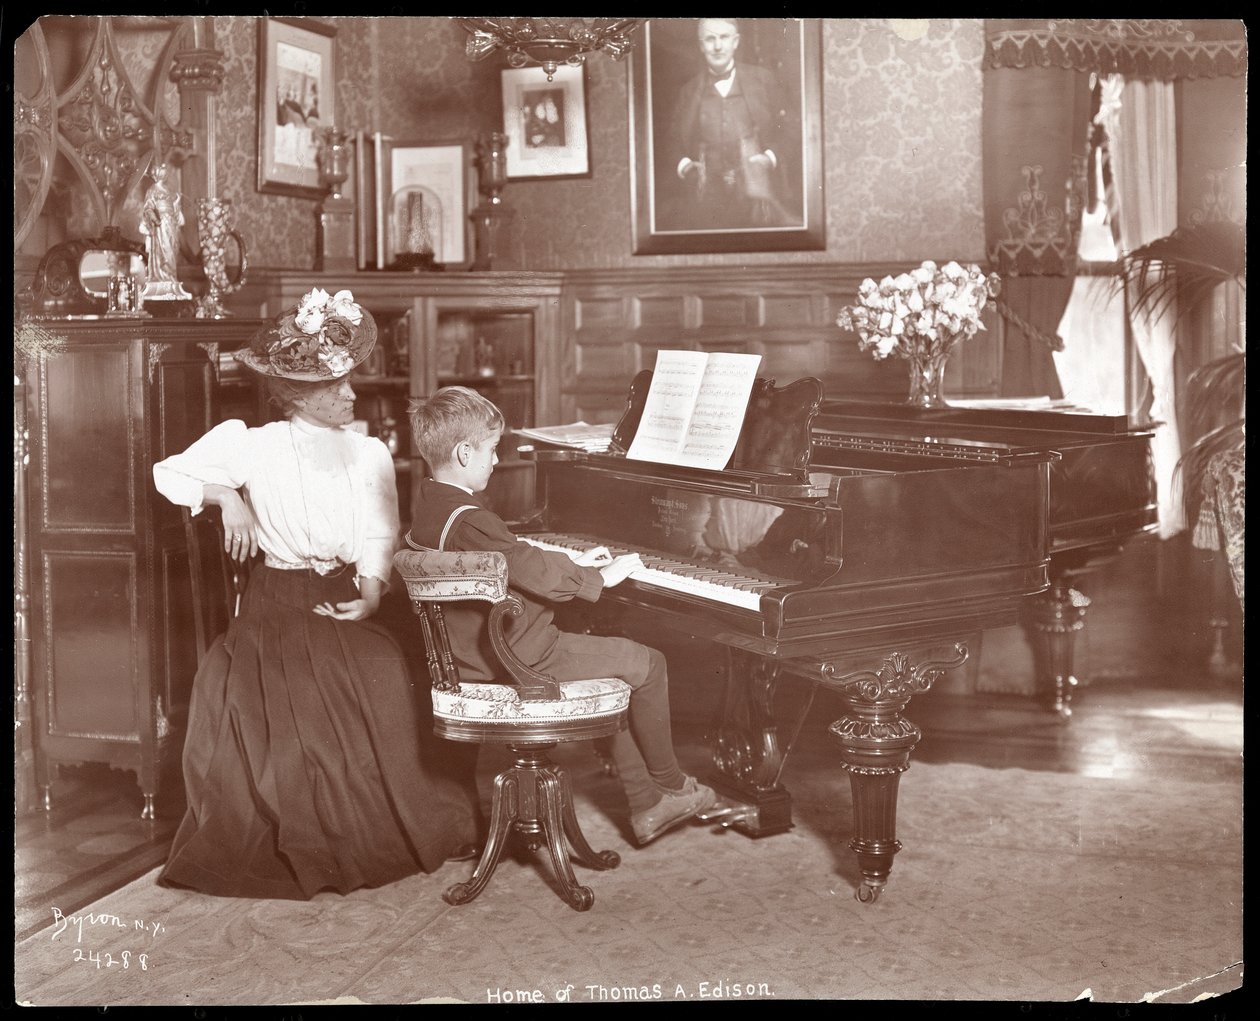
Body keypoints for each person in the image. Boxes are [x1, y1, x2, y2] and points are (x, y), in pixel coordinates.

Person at [152, 287, 481, 900]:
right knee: (286, 691)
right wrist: (226, 498)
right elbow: (168, 472)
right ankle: (308, 833)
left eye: (350, 382)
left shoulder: (368, 452)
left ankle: (385, 818)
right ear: (300, 395)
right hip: (276, 600)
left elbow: (381, 530)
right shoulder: (254, 444)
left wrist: (374, 591)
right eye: (338, 388)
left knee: (379, 665)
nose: (353, 395)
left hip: (342, 592)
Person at [406, 386, 717, 846]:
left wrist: (573, 561)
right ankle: (670, 788)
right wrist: (598, 579)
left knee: (616, 663)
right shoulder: (472, 519)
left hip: (472, 652)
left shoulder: (434, 503)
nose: (496, 461)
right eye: (492, 451)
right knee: (647, 663)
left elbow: (512, 553)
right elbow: (524, 564)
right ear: (464, 452)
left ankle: (646, 802)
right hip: (514, 658)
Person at [667, 18, 794, 230]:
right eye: (710, 39)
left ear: (735, 42)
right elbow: (671, 139)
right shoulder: (688, 91)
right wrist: (686, 166)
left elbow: (791, 127)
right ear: (701, 45)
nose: (717, 46)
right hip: (706, 196)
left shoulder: (763, 81)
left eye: (724, 37)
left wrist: (770, 158)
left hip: (758, 192)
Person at [139, 162, 183, 284]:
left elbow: (174, 209)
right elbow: (148, 208)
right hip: (161, 224)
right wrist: (155, 219)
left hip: (170, 223)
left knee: (172, 247)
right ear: (156, 175)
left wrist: (177, 201)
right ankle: (162, 276)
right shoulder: (152, 190)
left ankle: (171, 276)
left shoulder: (169, 191)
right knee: (164, 249)